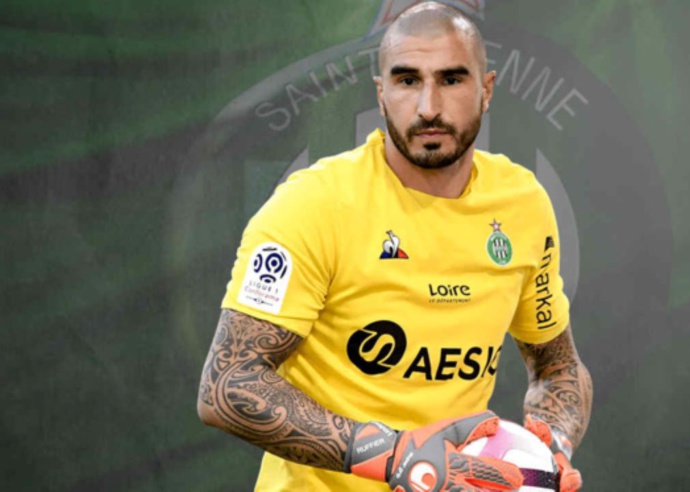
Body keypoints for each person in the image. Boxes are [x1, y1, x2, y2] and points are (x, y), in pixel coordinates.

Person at [196, 3, 593, 491]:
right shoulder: (314, 204)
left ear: (486, 89)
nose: (428, 106)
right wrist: (393, 456)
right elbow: (228, 385)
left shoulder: (522, 204)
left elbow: (557, 367)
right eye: (407, 80)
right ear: (380, 93)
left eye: (451, 79)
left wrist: (551, 443)